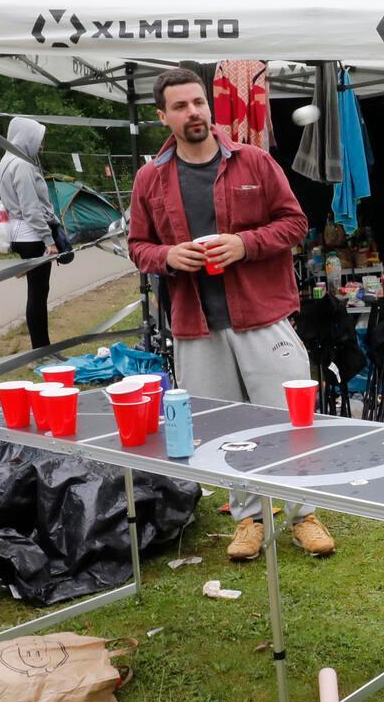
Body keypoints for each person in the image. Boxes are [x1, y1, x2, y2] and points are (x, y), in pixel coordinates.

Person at [127, 67, 335, 561]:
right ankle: (248, 520)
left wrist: (244, 244)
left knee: (289, 419)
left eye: (198, 102)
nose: (192, 112)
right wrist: (167, 257)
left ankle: (303, 513)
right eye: (180, 106)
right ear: (164, 116)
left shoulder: (254, 162)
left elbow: (295, 223)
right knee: (226, 428)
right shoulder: (150, 178)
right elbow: (138, 245)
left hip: (262, 316)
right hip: (197, 324)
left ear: (209, 106)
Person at [0, 115, 58, 351]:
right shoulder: (21, 165)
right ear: (26, 138)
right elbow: (30, 208)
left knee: (37, 291)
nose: (41, 145)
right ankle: (41, 348)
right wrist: (49, 240)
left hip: (21, 234)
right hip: (32, 235)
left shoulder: (6, 161)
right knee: (38, 294)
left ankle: (41, 346)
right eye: (38, 139)